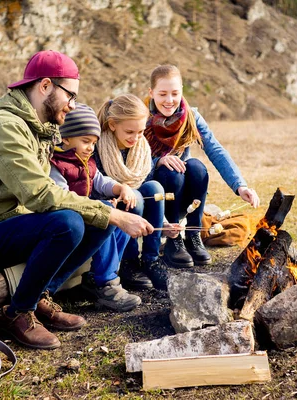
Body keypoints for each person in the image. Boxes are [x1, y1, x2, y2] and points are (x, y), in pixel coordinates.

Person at [0, 50, 152, 350]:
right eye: (70, 95)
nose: (72, 105)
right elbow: (41, 194)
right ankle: (18, 313)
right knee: (70, 222)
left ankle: (40, 295)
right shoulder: (5, 127)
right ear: (45, 86)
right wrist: (116, 216)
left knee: (100, 220)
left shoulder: (39, 129)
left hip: (13, 224)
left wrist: (109, 212)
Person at [145, 64, 260, 269]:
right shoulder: (141, 116)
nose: (169, 100)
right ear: (151, 92)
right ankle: (174, 240)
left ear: (182, 91)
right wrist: (157, 161)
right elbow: (126, 159)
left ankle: (193, 234)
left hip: (182, 195)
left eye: (175, 93)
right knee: (171, 171)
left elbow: (215, 150)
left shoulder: (190, 116)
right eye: (162, 94)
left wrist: (240, 185)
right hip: (153, 195)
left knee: (197, 167)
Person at [47, 103, 141, 311]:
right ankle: (105, 283)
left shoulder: (86, 160)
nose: (91, 147)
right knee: (107, 217)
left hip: (87, 214)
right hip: (71, 219)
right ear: (66, 138)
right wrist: (102, 207)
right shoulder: (58, 165)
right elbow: (64, 199)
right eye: (86, 141)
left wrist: (120, 188)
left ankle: (100, 275)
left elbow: (100, 181)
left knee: (120, 222)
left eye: (93, 142)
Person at [94, 94, 177, 291]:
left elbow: (146, 185)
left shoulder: (141, 148)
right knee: (136, 197)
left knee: (155, 188)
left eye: (141, 131)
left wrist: (164, 224)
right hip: (115, 204)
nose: (136, 138)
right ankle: (128, 261)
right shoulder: (99, 147)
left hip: (135, 198)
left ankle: (151, 259)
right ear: (113, 125)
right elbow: (96, 184)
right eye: (130, 131)